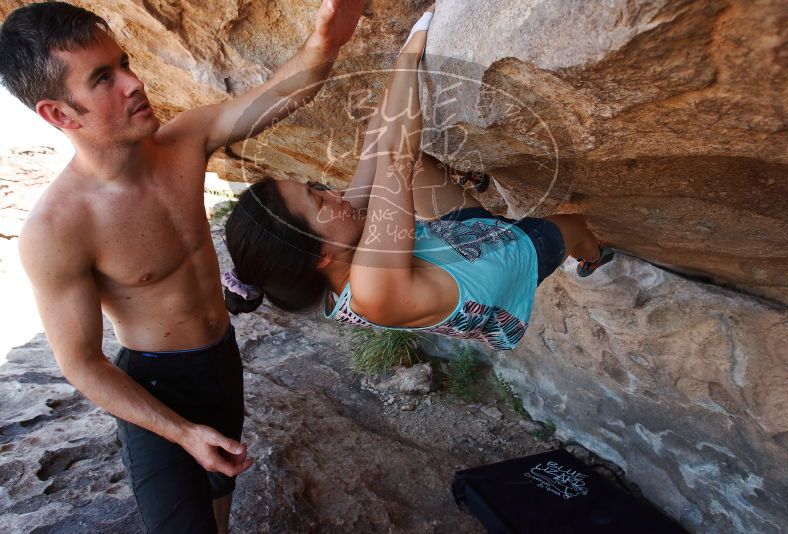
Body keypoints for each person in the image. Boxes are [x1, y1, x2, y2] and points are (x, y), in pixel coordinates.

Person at [1, 0, 364, 531]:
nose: (133, 81)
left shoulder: (184, 141)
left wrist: (327, 40)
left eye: (124, 61)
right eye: (104, 78)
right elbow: (81, 363)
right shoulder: (57, 231)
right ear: (58, 113)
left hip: (222, 358)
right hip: (154, 389)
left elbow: (279, 95)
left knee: (221, 488)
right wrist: (180, 432)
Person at [221, 6, 614, 351]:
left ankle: (475, 190)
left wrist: (402, 62)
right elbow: (394, 159)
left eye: (317, 187)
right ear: (321, 255)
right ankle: (593, 257)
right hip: (506, 266)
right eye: (319, 199)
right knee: (573, 225)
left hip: (459, 242)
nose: (334, 192)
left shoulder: (334, 243)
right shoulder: (373, 292)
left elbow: (376, 146)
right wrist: (412, 49)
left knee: (412, 164)